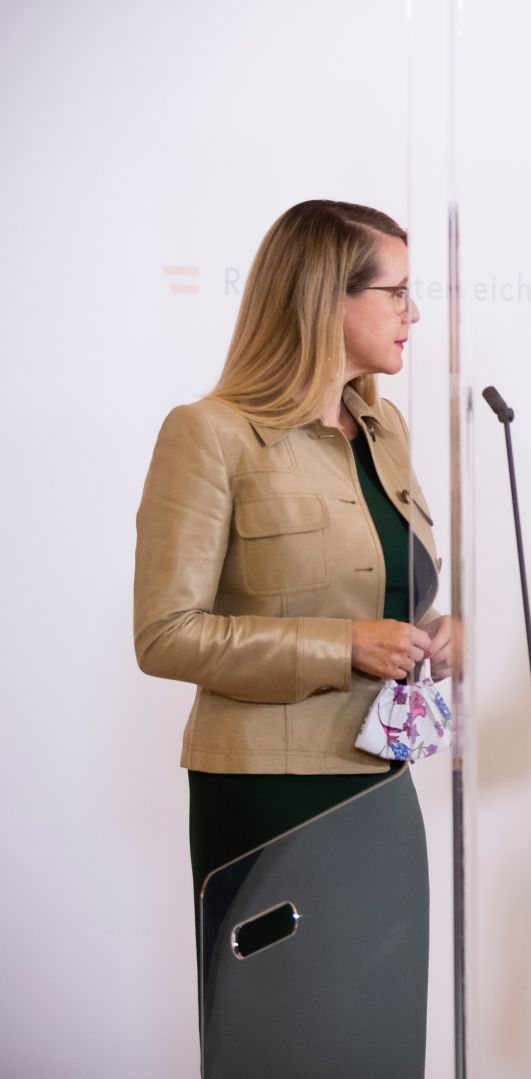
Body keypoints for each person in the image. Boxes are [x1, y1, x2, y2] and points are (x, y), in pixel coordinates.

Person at [134, 200, 448, 1063]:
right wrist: (344, 645)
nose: (411, 313)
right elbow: (165, 633)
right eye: (397, 292)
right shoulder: (209, 434)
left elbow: (383, 587)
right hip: (270, 798)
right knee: (283, 1046)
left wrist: (432, 633)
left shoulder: (384, 431)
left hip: (381, 794)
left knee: (379, 1043)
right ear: (325, 298)